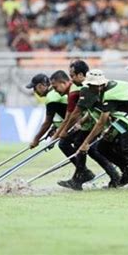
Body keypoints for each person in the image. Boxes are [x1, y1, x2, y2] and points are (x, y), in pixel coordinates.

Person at [50, 62, 120, 190]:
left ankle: (85, 175)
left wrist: (61, 133)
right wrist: (79, 123)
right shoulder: (82, 88)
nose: (70, 79)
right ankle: (88, 174)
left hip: (98, 123)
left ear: (81, 75)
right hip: (92, 122)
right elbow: (87, 111)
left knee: (79, 145)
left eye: (72, 76)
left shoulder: (80, 90)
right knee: (84, 146)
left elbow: (73, 114)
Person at [26, 73, 68, 150]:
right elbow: (63, 111)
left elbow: (47, 122)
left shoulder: (51, 97)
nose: (35, 91)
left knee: (64, 144)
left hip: (76, 124)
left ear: (40, 86)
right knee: (65, 144)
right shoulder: (54, 93)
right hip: (76, 123)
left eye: (34, 88)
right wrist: (54, 127)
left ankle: (80, 162)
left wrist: (36, 139)